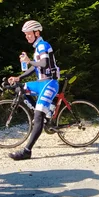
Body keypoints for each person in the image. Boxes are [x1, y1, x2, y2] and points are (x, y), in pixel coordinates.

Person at [7, 20, 60, 161]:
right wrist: (19, 77)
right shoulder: (37, 48)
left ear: (37, 33)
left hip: (49, 83)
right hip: (40, 83)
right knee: (20, 88)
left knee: (38, 117)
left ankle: (27, 151)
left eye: (29, 34)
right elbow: (34, 68)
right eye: (25, 35)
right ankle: (48, 111)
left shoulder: (43, 45)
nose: (27, 37)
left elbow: (43, 63)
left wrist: (29, 60)